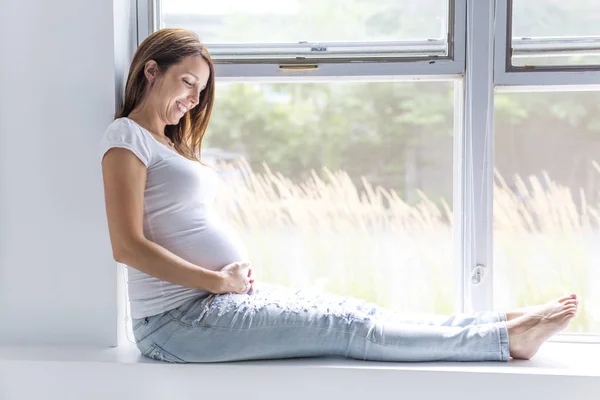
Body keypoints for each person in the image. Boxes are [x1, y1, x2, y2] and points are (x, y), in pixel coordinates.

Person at [99, 28, 579, 364]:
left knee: (355, 312)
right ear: (150, 71)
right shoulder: (127, 137)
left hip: (212, 304)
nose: (193, 100)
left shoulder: (169, 143)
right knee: (347, 329)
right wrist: (215, 280)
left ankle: (496, 322)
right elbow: (127, 245)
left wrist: (224, 281)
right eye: (187, 83)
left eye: (201, 92)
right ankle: (504, 340)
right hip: (176, 325)